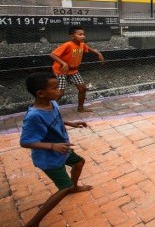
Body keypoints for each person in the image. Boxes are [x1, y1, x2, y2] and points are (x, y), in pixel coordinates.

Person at [20, 72, 93, 227]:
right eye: (54, 88)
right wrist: (53, 146)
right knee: (63, 188)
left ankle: (74, 187)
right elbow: (25, 142)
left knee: (79, 162)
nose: (59, 90)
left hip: (62, 149)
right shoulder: (34, 116)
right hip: (49, 157)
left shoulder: (52, 103)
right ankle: (34, 222)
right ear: (40, 93)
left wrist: (71, 123)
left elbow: (56, 119)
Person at [50, 26, 104, 112]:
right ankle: (46, 110)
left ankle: (80, 108)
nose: (83, 36)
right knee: (60, 93)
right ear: (72, 36)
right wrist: (63, 63)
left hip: (73, 70)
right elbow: (52, 54)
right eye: (80, 34)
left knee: (82, 88)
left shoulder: (82, 44)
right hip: (61, 70)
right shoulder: (67, 45)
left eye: (83, 34)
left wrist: (98, 53)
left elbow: (88, 48)